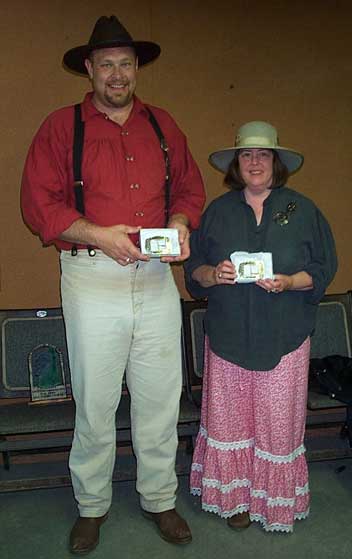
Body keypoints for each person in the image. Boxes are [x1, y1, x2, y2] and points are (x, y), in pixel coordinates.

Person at [21, 15, 205, 554]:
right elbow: (40, 205)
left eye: (126, 63)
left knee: (160, 396)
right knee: (96, 399)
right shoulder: (61, 127)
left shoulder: (162, 124)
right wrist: (100, 235)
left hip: (155, 278)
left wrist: (179, 223)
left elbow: (190, 188)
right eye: (107, 64)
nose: (117, 74)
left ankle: (159, 497)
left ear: (136, 68)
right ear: (90, 69)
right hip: (91, 275)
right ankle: (91, 506)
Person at [184, 121, 337, 533]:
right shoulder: (216, 212)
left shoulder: (304, 210)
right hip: (229, 335)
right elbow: (192, 270)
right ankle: (234, 498)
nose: (254, 162)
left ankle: (273, 500)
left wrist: (289, 282)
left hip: (284, 337)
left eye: (263, 154)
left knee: (276, 421)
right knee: (230, 420)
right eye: (247, 154)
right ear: (236, 163)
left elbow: (324, 269)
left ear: (276, 162)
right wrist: (212, 274)